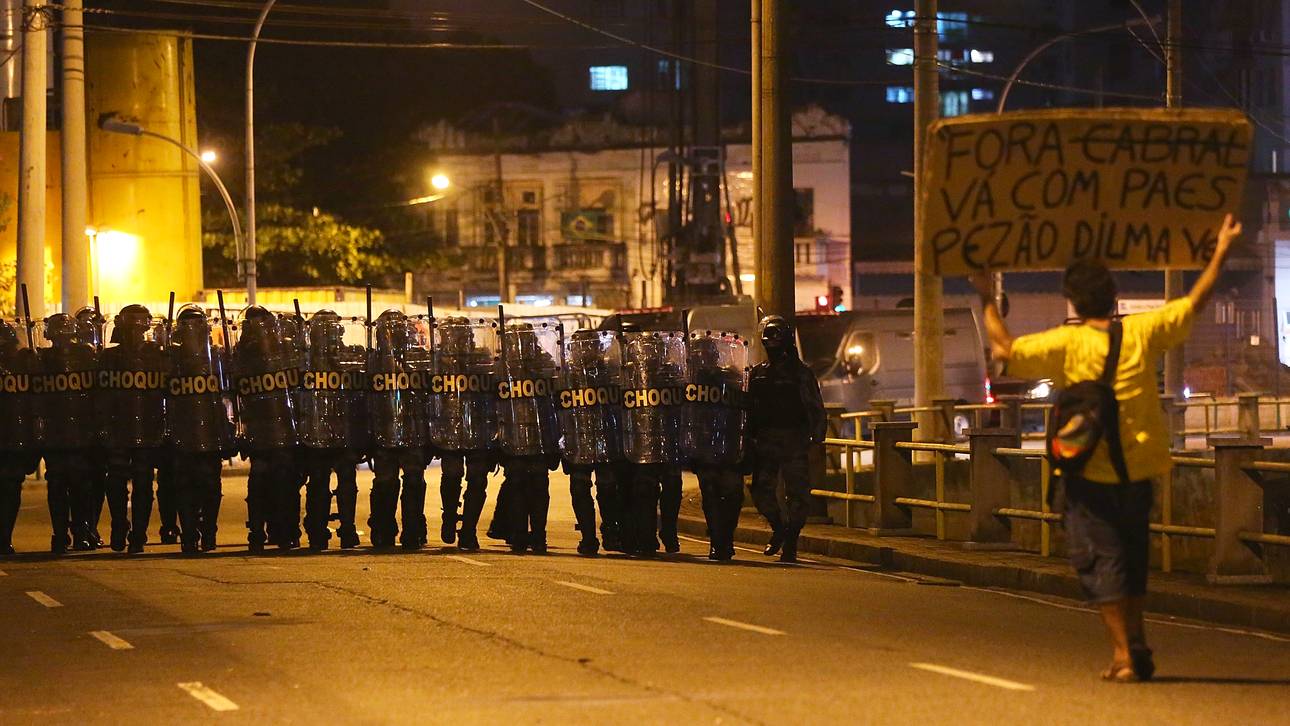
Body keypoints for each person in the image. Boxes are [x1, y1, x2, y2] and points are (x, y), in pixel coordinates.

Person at [972, 213, 1241, 683]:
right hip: (1140, 469)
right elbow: (1196, 302)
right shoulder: (1142, 333)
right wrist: (1220, 249)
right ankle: (1136, 639)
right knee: (1134, 557)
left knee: (1100, 560)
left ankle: (1122, 653)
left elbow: (1004, 349)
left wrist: (984, 294)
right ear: (1114, 297)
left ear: (1073, 300)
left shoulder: (1065, 343)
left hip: (1089, 470)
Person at [746, 315, 826, 563]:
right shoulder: (758, 374)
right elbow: (749, 409)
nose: (771, 343)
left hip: (794, 440)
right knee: (760, 492)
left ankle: (790, 539)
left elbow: (815, 407)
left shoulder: (801, 374)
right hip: (767, 441)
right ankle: (780, 529)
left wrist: (816, 439)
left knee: (798, 495)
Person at [99, 304, 169, 554]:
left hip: (148, 428)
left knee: (142, 482)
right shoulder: (109, 357)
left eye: (138, 330)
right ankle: (119, 526)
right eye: (131, 330)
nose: (134, 335)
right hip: (118, 429)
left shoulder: (158, 355)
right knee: (116, 481)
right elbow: (101, 396)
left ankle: (138, 533)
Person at [167, 305, 236, 553]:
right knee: (184, 486)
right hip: (182, 432)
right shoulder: (170, 360)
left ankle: (208, 532)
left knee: (210, 486)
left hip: (212, 430)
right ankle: (188, 534)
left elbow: (232, 390)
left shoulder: (218, 357)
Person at [296, 310, 366, 550]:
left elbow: (363, 396)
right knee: (318, 481)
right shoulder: (302, 361)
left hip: (344, 432)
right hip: (316, 433)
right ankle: (317, 530)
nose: (329, 339)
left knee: (345, 480)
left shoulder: (352, 358)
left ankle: (346, 528)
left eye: (332, 333)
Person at [232, 306, 300, 552]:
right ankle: (257, 531)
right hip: (258, 430)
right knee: (259, 479)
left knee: (286, 480)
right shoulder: (241, 357)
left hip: (284, 427)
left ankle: (287, 530)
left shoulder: (286, 351)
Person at [430, 316, 497, 553]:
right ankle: (449, 516)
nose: (461, 341)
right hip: (449, 430)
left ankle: (468, 530)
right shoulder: (436, 361)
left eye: (464, 336)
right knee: (452, 475)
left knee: (477, 480)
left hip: (478, 429)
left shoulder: (482, 360)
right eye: (455, 336)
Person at [367, 310, 432, 550]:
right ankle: (383, 529)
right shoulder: (371, 361)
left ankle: (413, 529)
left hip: (413, 431)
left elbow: (431, 398)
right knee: (386, 481)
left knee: (414, 480)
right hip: (383, 431)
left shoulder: (421, 360)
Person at [620, 330, 687, 557]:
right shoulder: (629, 376)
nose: (649, 355)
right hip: (642, 445)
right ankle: (647, 537)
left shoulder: (674, 374)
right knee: (645, 490)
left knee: (672, 489)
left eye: (653, 351)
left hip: (669, 443)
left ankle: (669, 532)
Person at [495, 322, 561, 554]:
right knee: (522, 486)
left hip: (538, 437)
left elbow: (556, 401)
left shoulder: (543, 365)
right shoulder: (503, 368)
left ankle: (534, 535)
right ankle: (522, 534)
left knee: (532, 487)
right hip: (515, 438)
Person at [558, 329, 625, 556]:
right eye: (582, 347)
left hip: (605, 440)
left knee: (606, 489)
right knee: (581, 488)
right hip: (578, 441)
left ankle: (608, 532)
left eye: (590, 346)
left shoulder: (611, 372)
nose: (586, 351)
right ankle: (589, 536)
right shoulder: (566, 376)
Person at [685, 332, 749, 561]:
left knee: (732, 495)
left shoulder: (730, 378)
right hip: (704, 449)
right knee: (711, 494)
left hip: (729, 446)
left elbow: (743, 411)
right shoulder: (689, 381)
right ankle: (717, 541)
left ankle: (726, 539)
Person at [0, 320, 39, 554]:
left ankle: (4, 537)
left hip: (14, 435)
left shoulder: (24, 363)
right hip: (12, 435)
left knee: (11, 489)